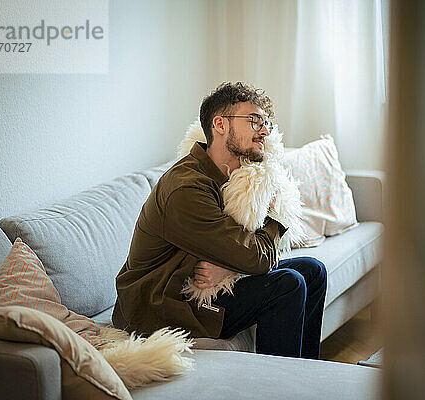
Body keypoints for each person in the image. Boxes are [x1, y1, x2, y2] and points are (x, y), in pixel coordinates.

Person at [112, 82, 327, 359]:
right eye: (254, 121)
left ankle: (306, 376)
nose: (264, 130)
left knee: (313, 270)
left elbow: (236, 248)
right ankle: (279, 386)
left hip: (196, 282)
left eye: (266, 123)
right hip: (164, 305)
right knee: (289, 284)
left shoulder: (229, 176)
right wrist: (274, 219)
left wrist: (229, 268)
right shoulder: (186, 188)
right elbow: (257, 258)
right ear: (220, 124)